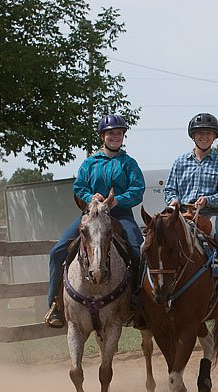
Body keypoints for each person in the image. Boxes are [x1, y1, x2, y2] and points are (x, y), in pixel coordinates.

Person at [44, 114, 145, 328]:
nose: (115, 136)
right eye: (111, 133)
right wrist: (92, 197)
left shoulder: (129, 164)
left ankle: (138, 302)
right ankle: (55, 304)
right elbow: (79, 186)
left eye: (119, 133)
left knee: (138, 250)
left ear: (123, 136)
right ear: (103, 136)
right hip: (91, 215)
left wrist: (116, 200)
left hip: (120, 215)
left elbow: (137, 190)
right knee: (57, 252)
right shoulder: (90, 163)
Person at [164, 112, 218, 311]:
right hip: (182, 214)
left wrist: (208, 200)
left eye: (209, 134)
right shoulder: (180, 162)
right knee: (153, 243)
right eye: (200, 133)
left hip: (210, 215)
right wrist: (173, 201)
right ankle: (149, 296)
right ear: (193, 136)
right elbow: (170, 189)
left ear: (215, 137)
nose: (204, 137)